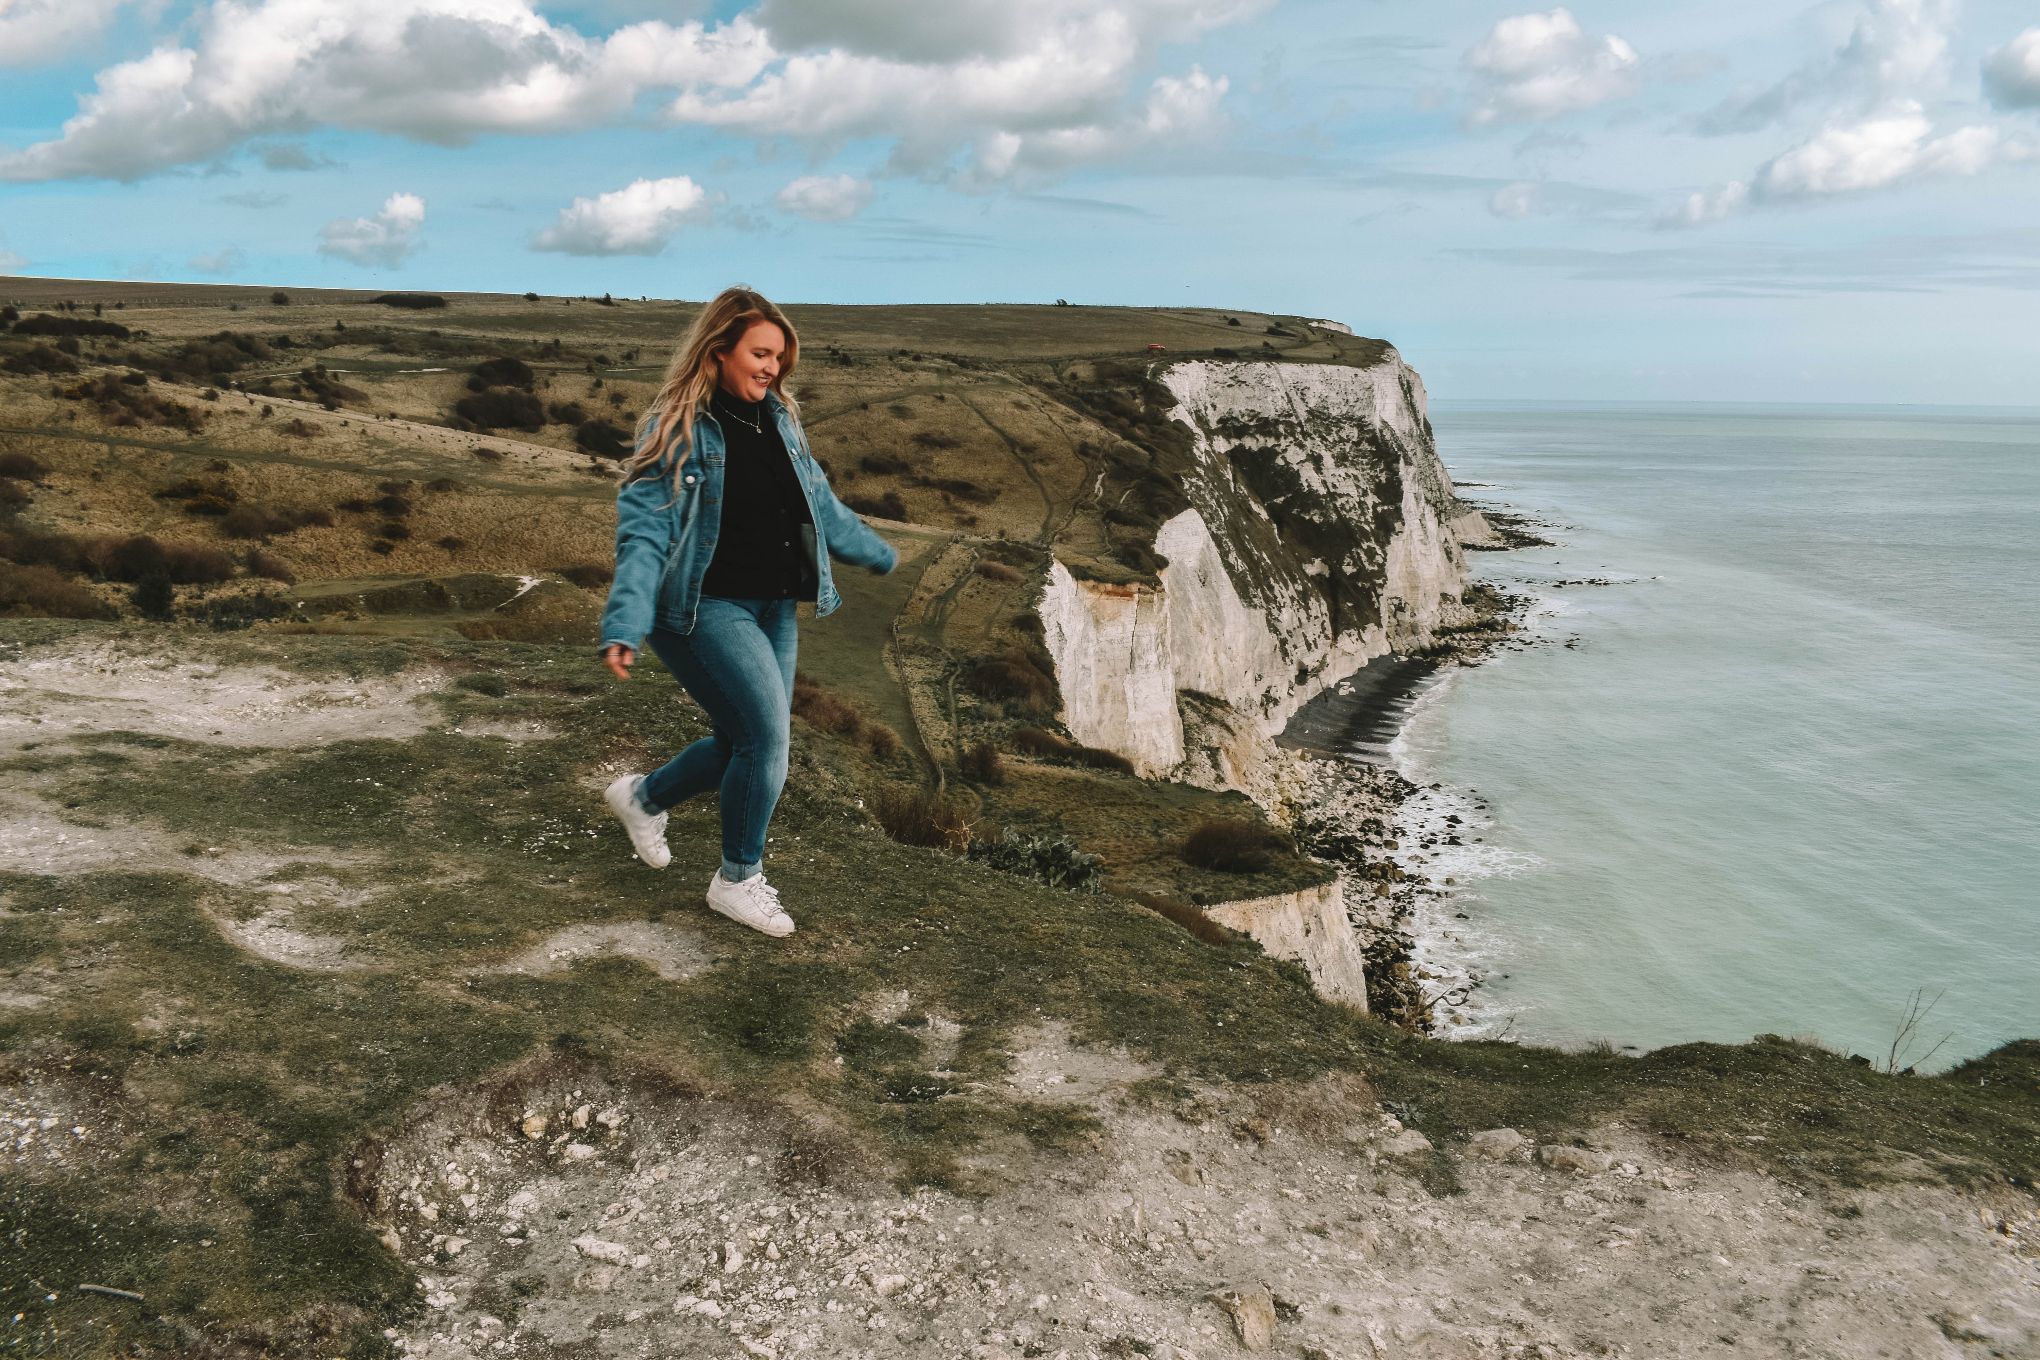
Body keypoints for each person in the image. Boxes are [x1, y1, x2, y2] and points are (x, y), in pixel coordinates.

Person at [596, 286, 898, 938]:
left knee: (743, 740)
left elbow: (820, 499)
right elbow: (644, 532)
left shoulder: (781, 419)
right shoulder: (677, 428)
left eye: (780, 359)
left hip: (772, 607)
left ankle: (642, 798)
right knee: (767, 741)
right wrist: (624, 621)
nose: (772, 368)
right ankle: (737, 878)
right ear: (720, 349)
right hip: (702, 607)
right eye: (761, 354)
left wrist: (871, 550)